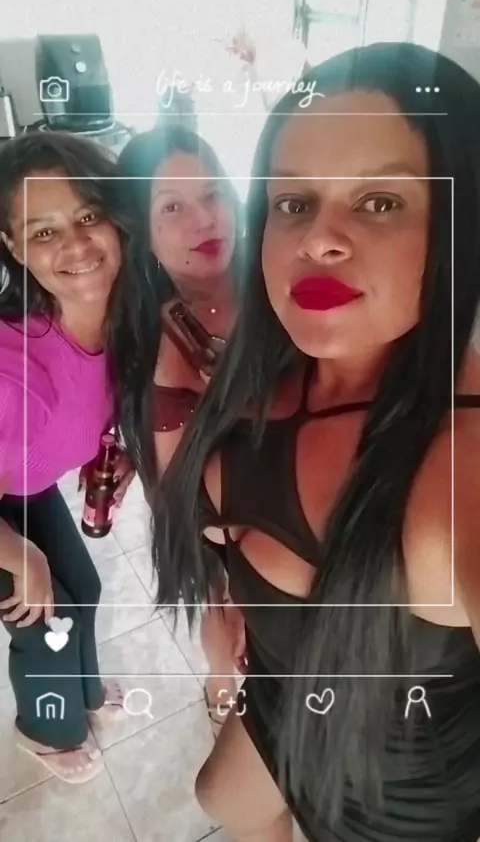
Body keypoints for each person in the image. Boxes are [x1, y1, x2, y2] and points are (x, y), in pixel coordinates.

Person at [145, 42, 480, 840]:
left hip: (394, 808)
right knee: (220, 797)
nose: (318, 239)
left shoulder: (455, 471)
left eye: (381, 202)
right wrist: (225, 611)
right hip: (280, 702)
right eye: (293, 201)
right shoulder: (253, 371)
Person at [0, 132, 135, 784]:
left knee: (83, 591)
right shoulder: (12, 371)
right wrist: (16, 554)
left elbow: (95, 399)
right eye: (44, 232)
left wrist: (109, 448)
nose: (77, 245)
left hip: (21, 484)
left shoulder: (123, 321)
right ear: (12, 246)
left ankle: (83, 692)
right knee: (45, 618)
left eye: (88, 215)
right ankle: (46, 729)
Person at [116, 125, 246, 737]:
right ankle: (220, 689)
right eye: (172, 206)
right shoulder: (160, 341)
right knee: (226, 628)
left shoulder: (275, 275)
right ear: (143, 233)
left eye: (212, 192)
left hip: (305, 507)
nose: (205, 219)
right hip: (225, 529)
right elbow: (185, 504)